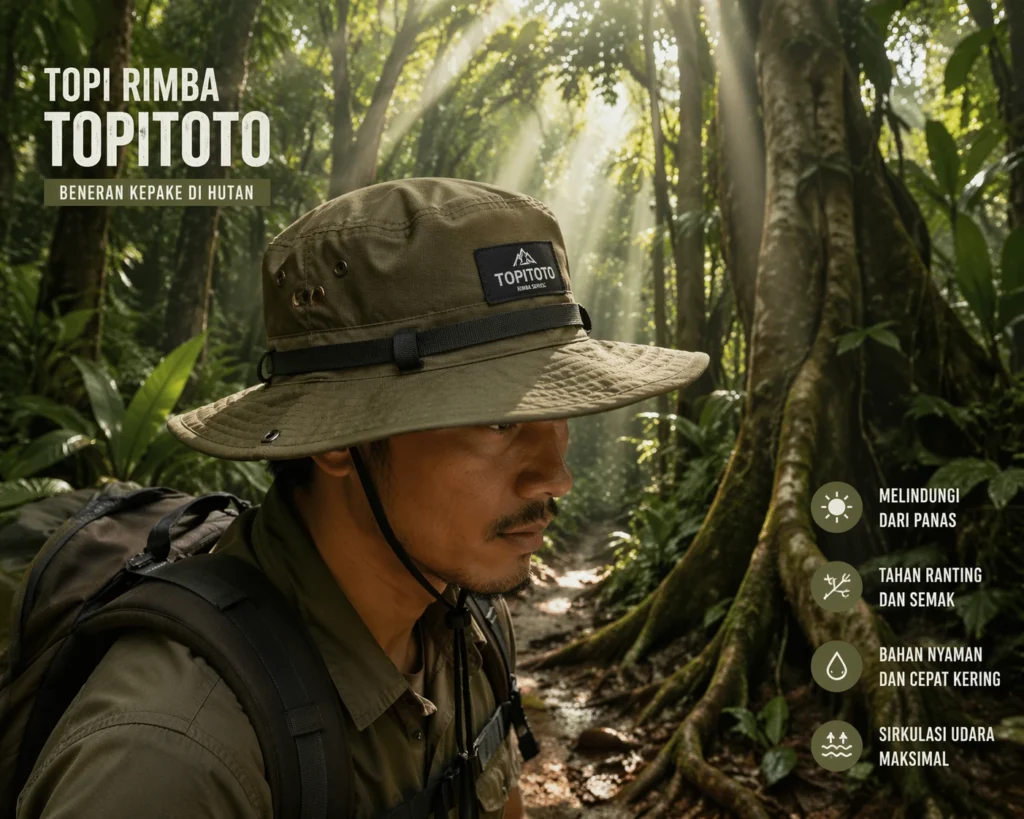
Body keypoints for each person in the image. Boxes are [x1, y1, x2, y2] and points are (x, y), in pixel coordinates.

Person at [16, 177, 709, 818]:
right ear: (337, 440)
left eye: (557, 406)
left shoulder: (467, 627)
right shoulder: (175, 760)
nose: (554, 476)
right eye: (497, 420)